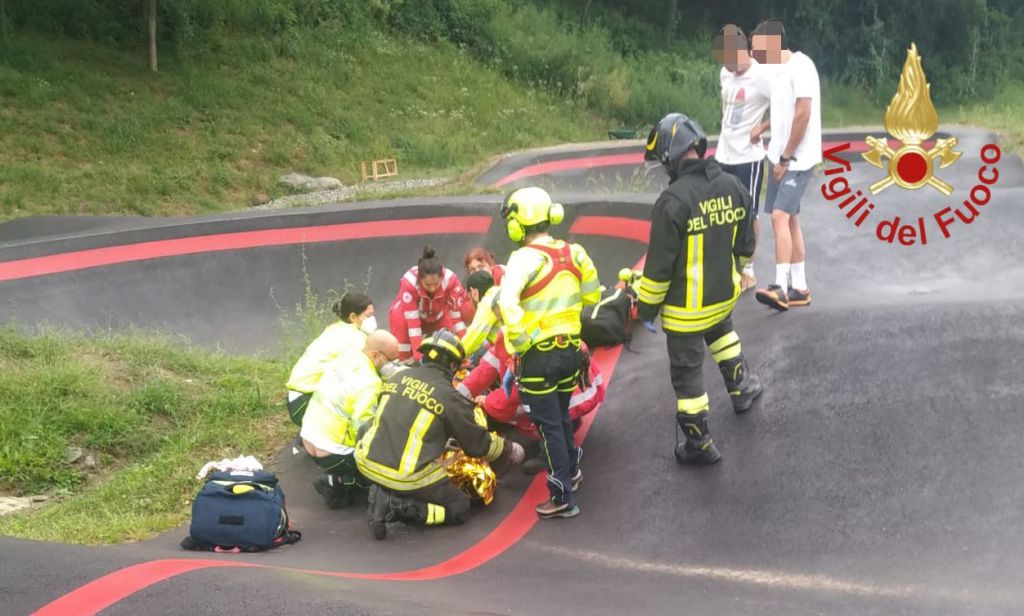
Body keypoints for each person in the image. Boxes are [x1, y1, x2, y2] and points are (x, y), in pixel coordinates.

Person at [639, 112, 764, 465]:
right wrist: (736, 274)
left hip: (684, 313)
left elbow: (658, 271)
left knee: (687, 373)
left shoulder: (672, 202)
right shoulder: (731, 186)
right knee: (724, 337)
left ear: (672, 158)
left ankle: (700, 443)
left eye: (662, 163)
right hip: (722, 298)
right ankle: (742, 390)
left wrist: (646, 311)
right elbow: (746, 242)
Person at [356, 330, 525, 539]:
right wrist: (507, 449)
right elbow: (477, 445)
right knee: (459, 506)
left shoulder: (398, 376)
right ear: (453, 366)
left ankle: (381, 488)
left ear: (424, 355)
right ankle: (396, 506)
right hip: (408, 476)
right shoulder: (449, 396)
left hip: (365, 461)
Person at [498, 186, 601, 518]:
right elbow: (592, 297)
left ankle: (561, 497)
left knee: (550, 426)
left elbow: (507, 304)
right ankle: (572, 470)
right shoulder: (575, 252)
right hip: (571, 351)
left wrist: (521, 340)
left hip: (538, 357)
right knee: (560, 417)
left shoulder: (523, 258)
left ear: (517, 223)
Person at [750, 18, 821, 310]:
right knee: (789, 218)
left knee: (779, 216)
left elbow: (803, 114)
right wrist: (763, 127)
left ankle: (780, 287)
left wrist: (785, 159)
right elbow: (784, 110)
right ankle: (800, 288)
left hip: (796, 159)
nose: (754, 55)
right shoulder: (778, 72)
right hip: (779, 156)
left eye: (757, 49)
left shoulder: (801, 66)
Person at [300, 330, 401, 509]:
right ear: (375, 354)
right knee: (387, 474)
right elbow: (364, 429)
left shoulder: (348, 357)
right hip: (333, 450)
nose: (393, 364)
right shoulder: (369, 384)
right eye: (391, 360)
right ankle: (337, 481)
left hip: (309, 434)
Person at [713, 24, 773, 293]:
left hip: (748, 158)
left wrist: (760, 128)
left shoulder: (762, 76)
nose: (731, 68)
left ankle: (748, 268)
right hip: (723, 153)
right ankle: (725, 264)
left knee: (748, 214)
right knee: (721, 211)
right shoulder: (725, 72)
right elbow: (725, 105)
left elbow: (788, 106)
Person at [286, 292, 376, 426]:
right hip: (306, 401)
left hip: (295, 398)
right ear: (353, 316)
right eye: (368, 315)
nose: (373, 319)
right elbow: (372, 370)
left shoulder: (335, 328)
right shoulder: (356, 339)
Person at [388, 246, 468, 362]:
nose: (432, 289)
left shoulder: (451, 281)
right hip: (405, 316)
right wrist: (418, 357)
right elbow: (413, 325)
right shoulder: (409, 283)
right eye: (428, 285)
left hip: (438, 314)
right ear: (420, 279)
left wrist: (465, 350)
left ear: (442, 277)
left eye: (436, 284)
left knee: (449, 344)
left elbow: (457, 318)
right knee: (404, 350)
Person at [461, 247, 505, 324]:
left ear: (491, 265)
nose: (477, 272)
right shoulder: (471, 290)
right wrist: (476, 304)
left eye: (481, 267)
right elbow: (468, 318)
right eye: (473, 270)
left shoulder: (507, 276)